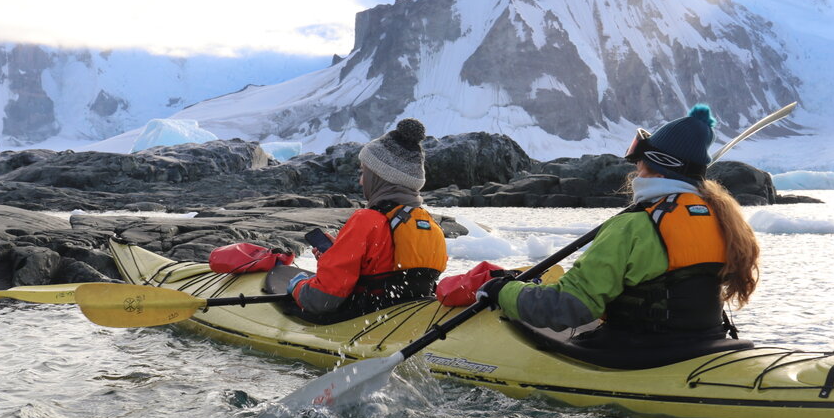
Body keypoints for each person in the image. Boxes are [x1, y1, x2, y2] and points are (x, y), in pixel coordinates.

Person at [477, 104, 760, 355]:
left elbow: (570, 306)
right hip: (703, 342)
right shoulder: (721, 218)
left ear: (655, 167)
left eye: (639, 160)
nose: (635, 168)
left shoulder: (632, 226)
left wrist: (503, 291)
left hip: (639, 352)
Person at [287, 118, 448, 321]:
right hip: (406, 320)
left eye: (364, 172)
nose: (361, 181)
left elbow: (322, 300)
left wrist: (298, 286)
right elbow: (386, 268)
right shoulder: (430, 225)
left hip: (361, 321)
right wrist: (336, 254)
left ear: (379, 177)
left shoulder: (367, 221)